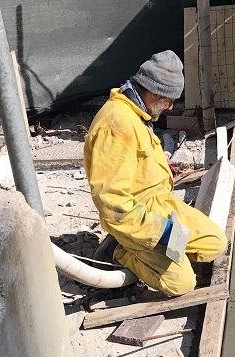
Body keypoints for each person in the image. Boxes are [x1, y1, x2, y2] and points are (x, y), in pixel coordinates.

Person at [83, 50, 227, 297]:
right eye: (169, 100)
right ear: (153, 93)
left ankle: (158, 253)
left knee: (215, 243)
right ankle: (119, 251)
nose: (171, 107)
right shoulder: (116, 126)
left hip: (159, 204)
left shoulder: (136, 113)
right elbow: (112, 203)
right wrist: (160, 231)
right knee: (181, 283)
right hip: (135, 219)